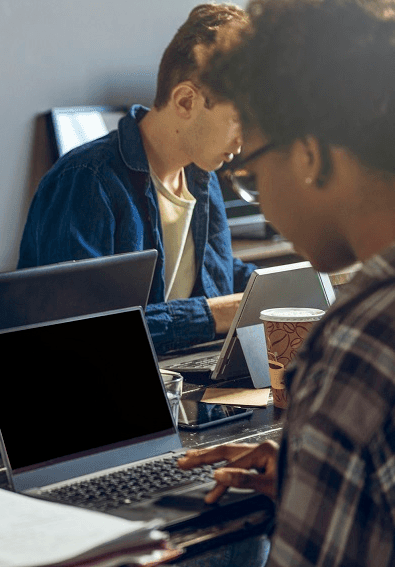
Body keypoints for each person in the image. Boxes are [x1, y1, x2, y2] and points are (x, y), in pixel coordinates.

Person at [177, 1, 395, 565]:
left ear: (310, 154)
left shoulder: (359, 346)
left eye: (249, 174)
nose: (261, 201)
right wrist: (317, 480)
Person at [17, 4, 256, 354]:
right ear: (186, 101)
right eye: (239, 119)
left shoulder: (202, 177)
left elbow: (213, 276)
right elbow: (83, 330)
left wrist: (274, 290)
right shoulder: (86, 181)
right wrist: (214, 314)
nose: (245, 139)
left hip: (188, 383)